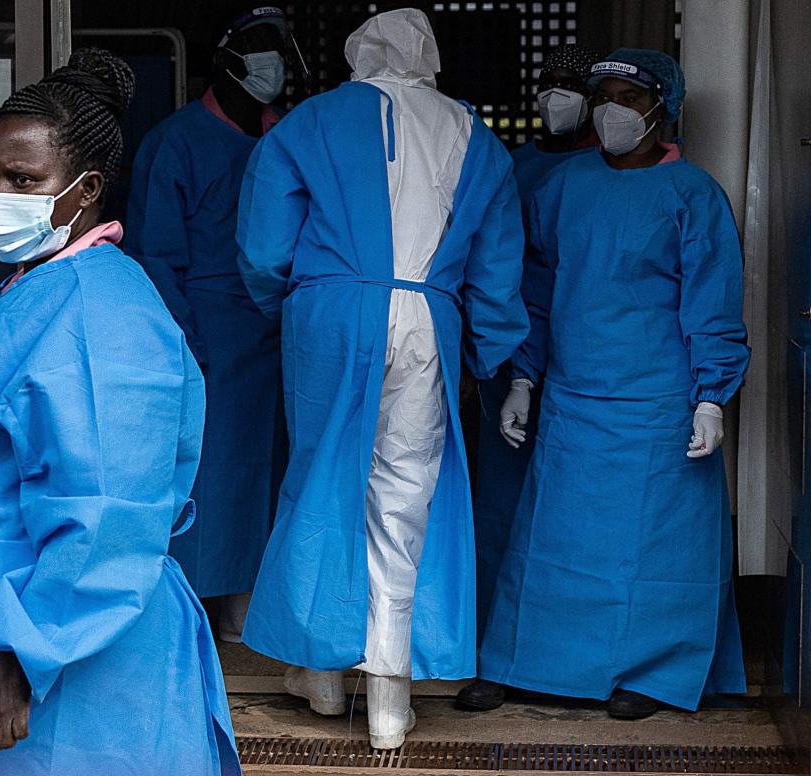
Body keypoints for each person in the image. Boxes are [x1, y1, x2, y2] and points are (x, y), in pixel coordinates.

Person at [0, 49, 241, 775]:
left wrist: (22, 654)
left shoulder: (97, 315)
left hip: (54, 647)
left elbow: (107, 507)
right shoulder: (39, 290)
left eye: (23, 180)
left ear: (85, 189)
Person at [235, 9, 528, 749]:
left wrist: (297, 305)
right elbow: (497, 270)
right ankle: (390, 700)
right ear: (427, 56)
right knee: (403, 500)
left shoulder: (307, 123)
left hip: (331, 310)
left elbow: (265, 248)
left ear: (359, 55)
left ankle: (325, 678)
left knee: (322, 481)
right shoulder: (476, 137)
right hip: (429, 315)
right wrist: (490, 352)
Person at [459, 48, 750, 721]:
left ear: (660, 109)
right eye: (603, 96)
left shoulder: (692, 195)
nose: (610, 109)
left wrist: (711, 396)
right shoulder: (563, 187)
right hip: (571, 397)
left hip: (657, 403)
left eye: (627, 96)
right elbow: (533, 291)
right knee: (550, 540)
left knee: (652, 543)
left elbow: (713, 300)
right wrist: (522, 379)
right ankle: (523, 663)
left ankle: (651, 672)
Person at [127, 5, 300, 640]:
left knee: (273, 473)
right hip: (208, 341)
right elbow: (156, 258)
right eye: (257, 46)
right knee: (211, 473)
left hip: (277, 334)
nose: (270, 61)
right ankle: (193, 613)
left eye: (279, 48)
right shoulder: (175, 143)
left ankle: (250, 606)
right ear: (224, 58)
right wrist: (185, 343)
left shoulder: (285, 139)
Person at [472, 44, 600, 633]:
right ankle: (499, 630)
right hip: (506, 350)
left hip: (587, 358)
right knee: (503, 496)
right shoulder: (507, 165)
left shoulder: (612, 177)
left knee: (576, 501)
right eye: (547, 84)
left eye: (570, 85)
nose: (556, 96)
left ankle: (561, 633)